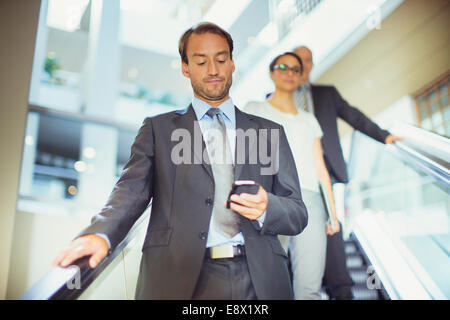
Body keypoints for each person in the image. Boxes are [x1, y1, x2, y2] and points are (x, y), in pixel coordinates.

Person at [52, 22, 308, 300]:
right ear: (186, 68)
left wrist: (268, 207)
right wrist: (99, 233)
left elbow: (297, 213)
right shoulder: (158, 130)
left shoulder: (269, 133)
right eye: (201, 61)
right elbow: (130, 190)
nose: (213, 70)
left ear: (232, 63)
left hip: (259, 279)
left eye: (221, 59)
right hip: (181, 277)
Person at [292, 45, 403, 299]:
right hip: (293, 179)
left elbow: (354, 116)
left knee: (332, 230)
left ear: (311, 65)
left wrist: (384, 136)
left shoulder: (326, 94)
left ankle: (340, 291)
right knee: (300, 234)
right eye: (298, 60)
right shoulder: (273, 98)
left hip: (326, 175)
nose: (303, 65)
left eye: (308, 60)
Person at [243, 52, 340, 300]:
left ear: (301, 76)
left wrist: (333, 213)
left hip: (309, 202)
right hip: (269, 198)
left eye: (295, 69)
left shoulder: (310, 120)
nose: (289, 73)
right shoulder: (254, 109)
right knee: (267, 284)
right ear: (272, 72)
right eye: (282, 67)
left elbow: (320, 168)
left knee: (309, 286)